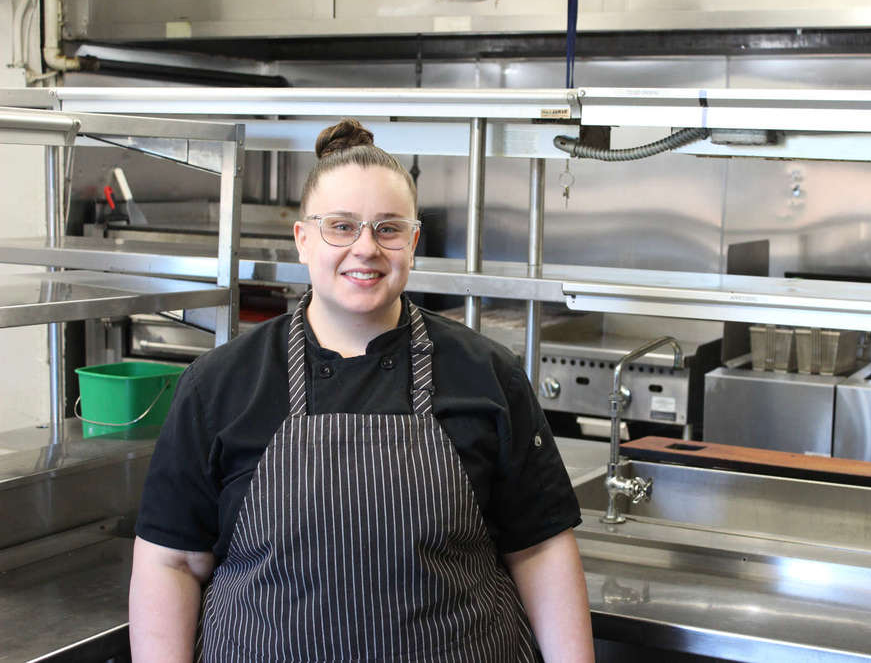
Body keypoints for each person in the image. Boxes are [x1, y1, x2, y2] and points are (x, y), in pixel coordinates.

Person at [129, 118, 594, 662]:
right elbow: (172, 564)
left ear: (413, 242)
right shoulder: (219, 385)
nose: (366, 248)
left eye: (388, 228)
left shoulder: (487, 374)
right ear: (303, 240)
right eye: (342, 227)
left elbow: (540, 550)